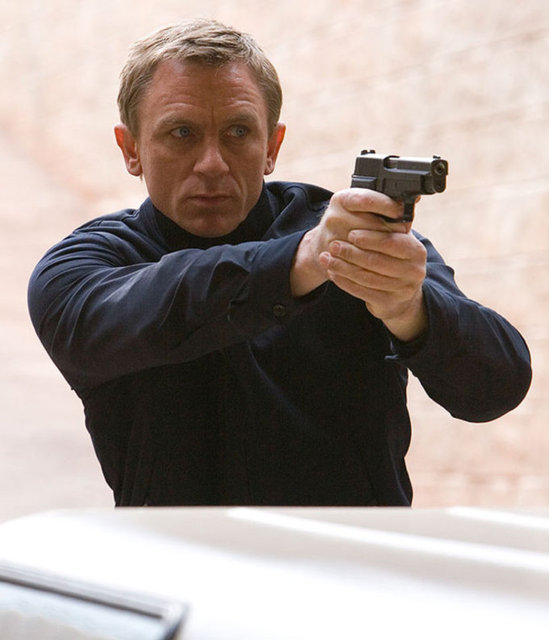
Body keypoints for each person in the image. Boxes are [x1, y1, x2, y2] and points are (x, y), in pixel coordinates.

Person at [28, 19, 531, 507]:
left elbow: (495, 387)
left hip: (352, 558)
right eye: (181, 133)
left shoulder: (354, 239)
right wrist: (302, 260)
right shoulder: (84, 266)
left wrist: (410, 310)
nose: (212, 163)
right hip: (176, 559)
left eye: (238, 132)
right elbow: (144, 307)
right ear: (131, 149)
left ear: (271, 147)